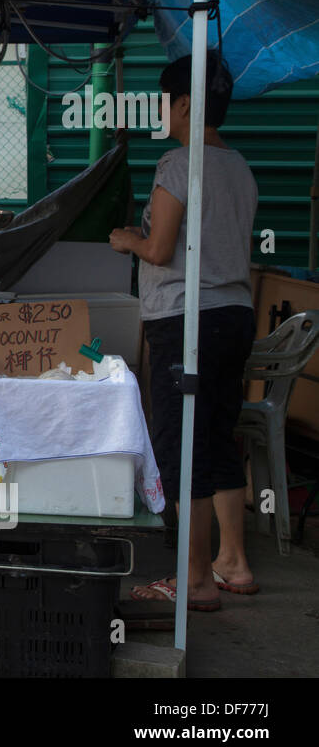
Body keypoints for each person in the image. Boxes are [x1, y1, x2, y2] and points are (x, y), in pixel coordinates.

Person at [110, 53, 259, 612]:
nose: (165, 115)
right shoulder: (240, 166)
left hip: (186, 320)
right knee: (219, 438)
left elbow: (160, 249)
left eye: (169, 103)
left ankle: (193, 580)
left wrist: (127, 240)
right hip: (234, 315)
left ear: (187, 104)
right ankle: (233, 564)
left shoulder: (179, 163)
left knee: (179, 448)